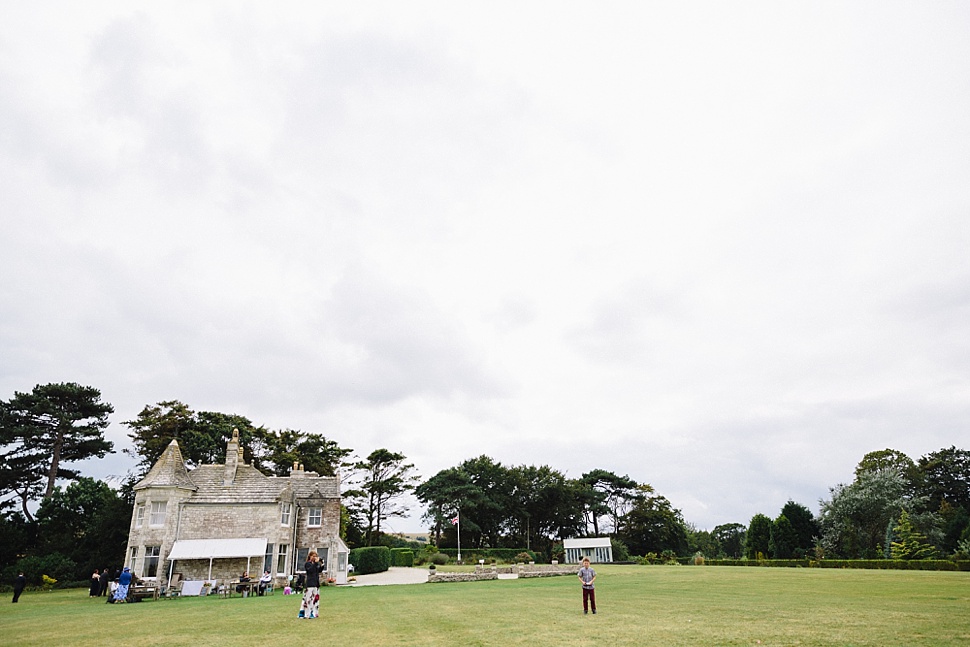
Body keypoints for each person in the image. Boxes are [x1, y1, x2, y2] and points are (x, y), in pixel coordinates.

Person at [298, 551, 325, 619]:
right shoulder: (308, 564)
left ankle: (314, 613)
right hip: (310, 584)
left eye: (315, 556)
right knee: (308, 599)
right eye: (313, 556)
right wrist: (315, 563)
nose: (314, 557)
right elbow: (310, 570)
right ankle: (307, 614)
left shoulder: (315, 564)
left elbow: (318, 570)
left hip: (316, 583)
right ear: (310, 556)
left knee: (315, 599)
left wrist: (322, 564)